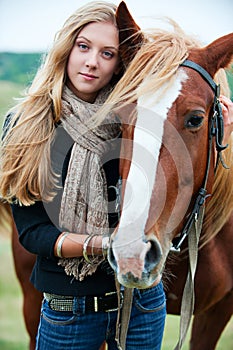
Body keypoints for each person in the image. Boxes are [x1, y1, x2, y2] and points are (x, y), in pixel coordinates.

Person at [0, 2, 167, 350]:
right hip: (69, 311)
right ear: (67, 47)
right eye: (84, 46)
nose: (92, 61)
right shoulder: (24, 126)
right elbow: (32, 232)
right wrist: (107, 246)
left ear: (120, 63)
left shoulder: (137, 120)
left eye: (108, 53)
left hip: (142, 306)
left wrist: (217, 125)